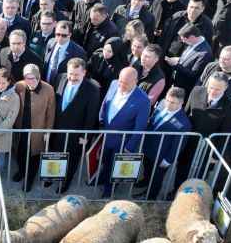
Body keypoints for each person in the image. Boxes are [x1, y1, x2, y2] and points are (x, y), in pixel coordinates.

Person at [174, 71, 231, 187]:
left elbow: (225, 134)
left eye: (218, 89)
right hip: (189, 142)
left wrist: (215, 155)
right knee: (182, 169)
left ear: (226, 88)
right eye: (211, 87)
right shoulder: (196, 91)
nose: (213, 92)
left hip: (207, 149)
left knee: (199, 175)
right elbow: (186, 113)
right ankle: (177, 192)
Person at [98, 66, 151, 197]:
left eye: (126, 83)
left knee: (114, 166)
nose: (121, 85)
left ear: (135, 81)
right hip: (106, 135)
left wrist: (130, 146)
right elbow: (105, 103)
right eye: (120, 81)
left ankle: (109, 189)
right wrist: (101, 120)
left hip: (122, 141)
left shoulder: (143, 100)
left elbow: (140, 127)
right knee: (104, 159)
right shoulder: (114, 83)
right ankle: (102, 178)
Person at [51, 58, 99, 191]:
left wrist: (85, 136)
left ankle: (65, 183)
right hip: (57, 129)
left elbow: (91, 116)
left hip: (76, 134)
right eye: (70, 73)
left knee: (71, 160)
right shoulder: (60, 78)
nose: (72, 78)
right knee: (55, 154)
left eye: (76, 75)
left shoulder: (92, 90)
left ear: (84, 72)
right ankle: (53, 176)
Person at [139, 86, 192, 199]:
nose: (168, 104)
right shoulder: (162, 104)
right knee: (147, 169)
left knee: (157, 178)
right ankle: (145, 182)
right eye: (167, 100)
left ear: (181, 102)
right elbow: (153, 119)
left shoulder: (183, 123)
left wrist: (169, 159)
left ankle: (150, 197)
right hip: (148, 148)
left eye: (173, 102)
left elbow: (178, 145)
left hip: (162, 155)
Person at [11, 63, 55, 191]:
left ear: (39, 77)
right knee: (20, 151)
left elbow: (51, 112)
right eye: (27, 78)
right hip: (21, 127)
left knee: (34, 155)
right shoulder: (19, 86)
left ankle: (29, 179)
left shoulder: (48, 89)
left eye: (32, 78)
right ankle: (21, 171)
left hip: (37, 129)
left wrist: (48, 131)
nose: (30, 81)